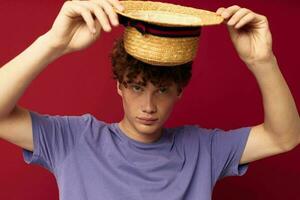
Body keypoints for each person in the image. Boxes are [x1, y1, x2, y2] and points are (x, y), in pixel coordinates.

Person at [0, 0, 299, 200]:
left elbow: (284, 138)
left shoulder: (202, 149)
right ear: (119, 85)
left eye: (163, 90)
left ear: (180, 90)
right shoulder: (74, 139)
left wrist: (262, 61)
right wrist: (53, 43)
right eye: (136, 87)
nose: (148, 105)